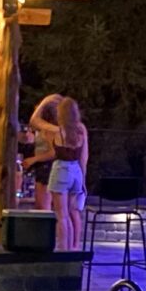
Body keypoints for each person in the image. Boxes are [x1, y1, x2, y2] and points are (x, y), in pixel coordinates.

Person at [46, 97, 89, 250]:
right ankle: (71, 249)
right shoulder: (81, 129)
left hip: (61, 171)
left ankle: (63, 249)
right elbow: (84, 157)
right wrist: (83, 180)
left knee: (61, 215)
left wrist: (46, 101)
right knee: (70, 214)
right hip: (76, 171)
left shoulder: (58, 130)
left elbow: (34, 121)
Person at [25, 94, 64, 211]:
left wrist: (34, 159)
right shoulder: (43, 128)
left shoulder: (51, 129)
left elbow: (53, 153)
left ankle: (47, 228)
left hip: (47, 166)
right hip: (42, 167)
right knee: (40, 204)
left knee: (43, 206)